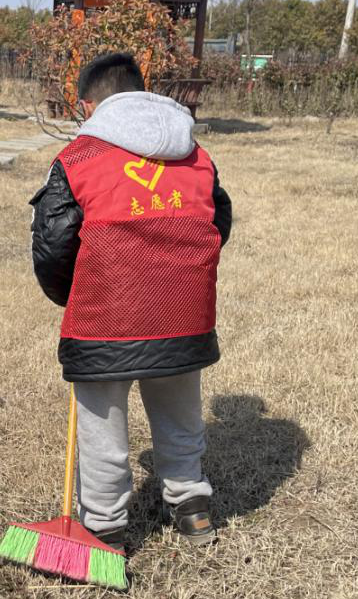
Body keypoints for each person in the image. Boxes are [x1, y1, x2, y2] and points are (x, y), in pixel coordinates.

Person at [30, 52, 233, 553]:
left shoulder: (77, 158)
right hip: (184, 311)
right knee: (179, 412)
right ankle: (193, 510)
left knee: (103, 432)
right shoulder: (197, 154)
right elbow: (217, 223)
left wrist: (67, 295)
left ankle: (104, 530)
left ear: (88, 105)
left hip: (105, 313)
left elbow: (55, 243)